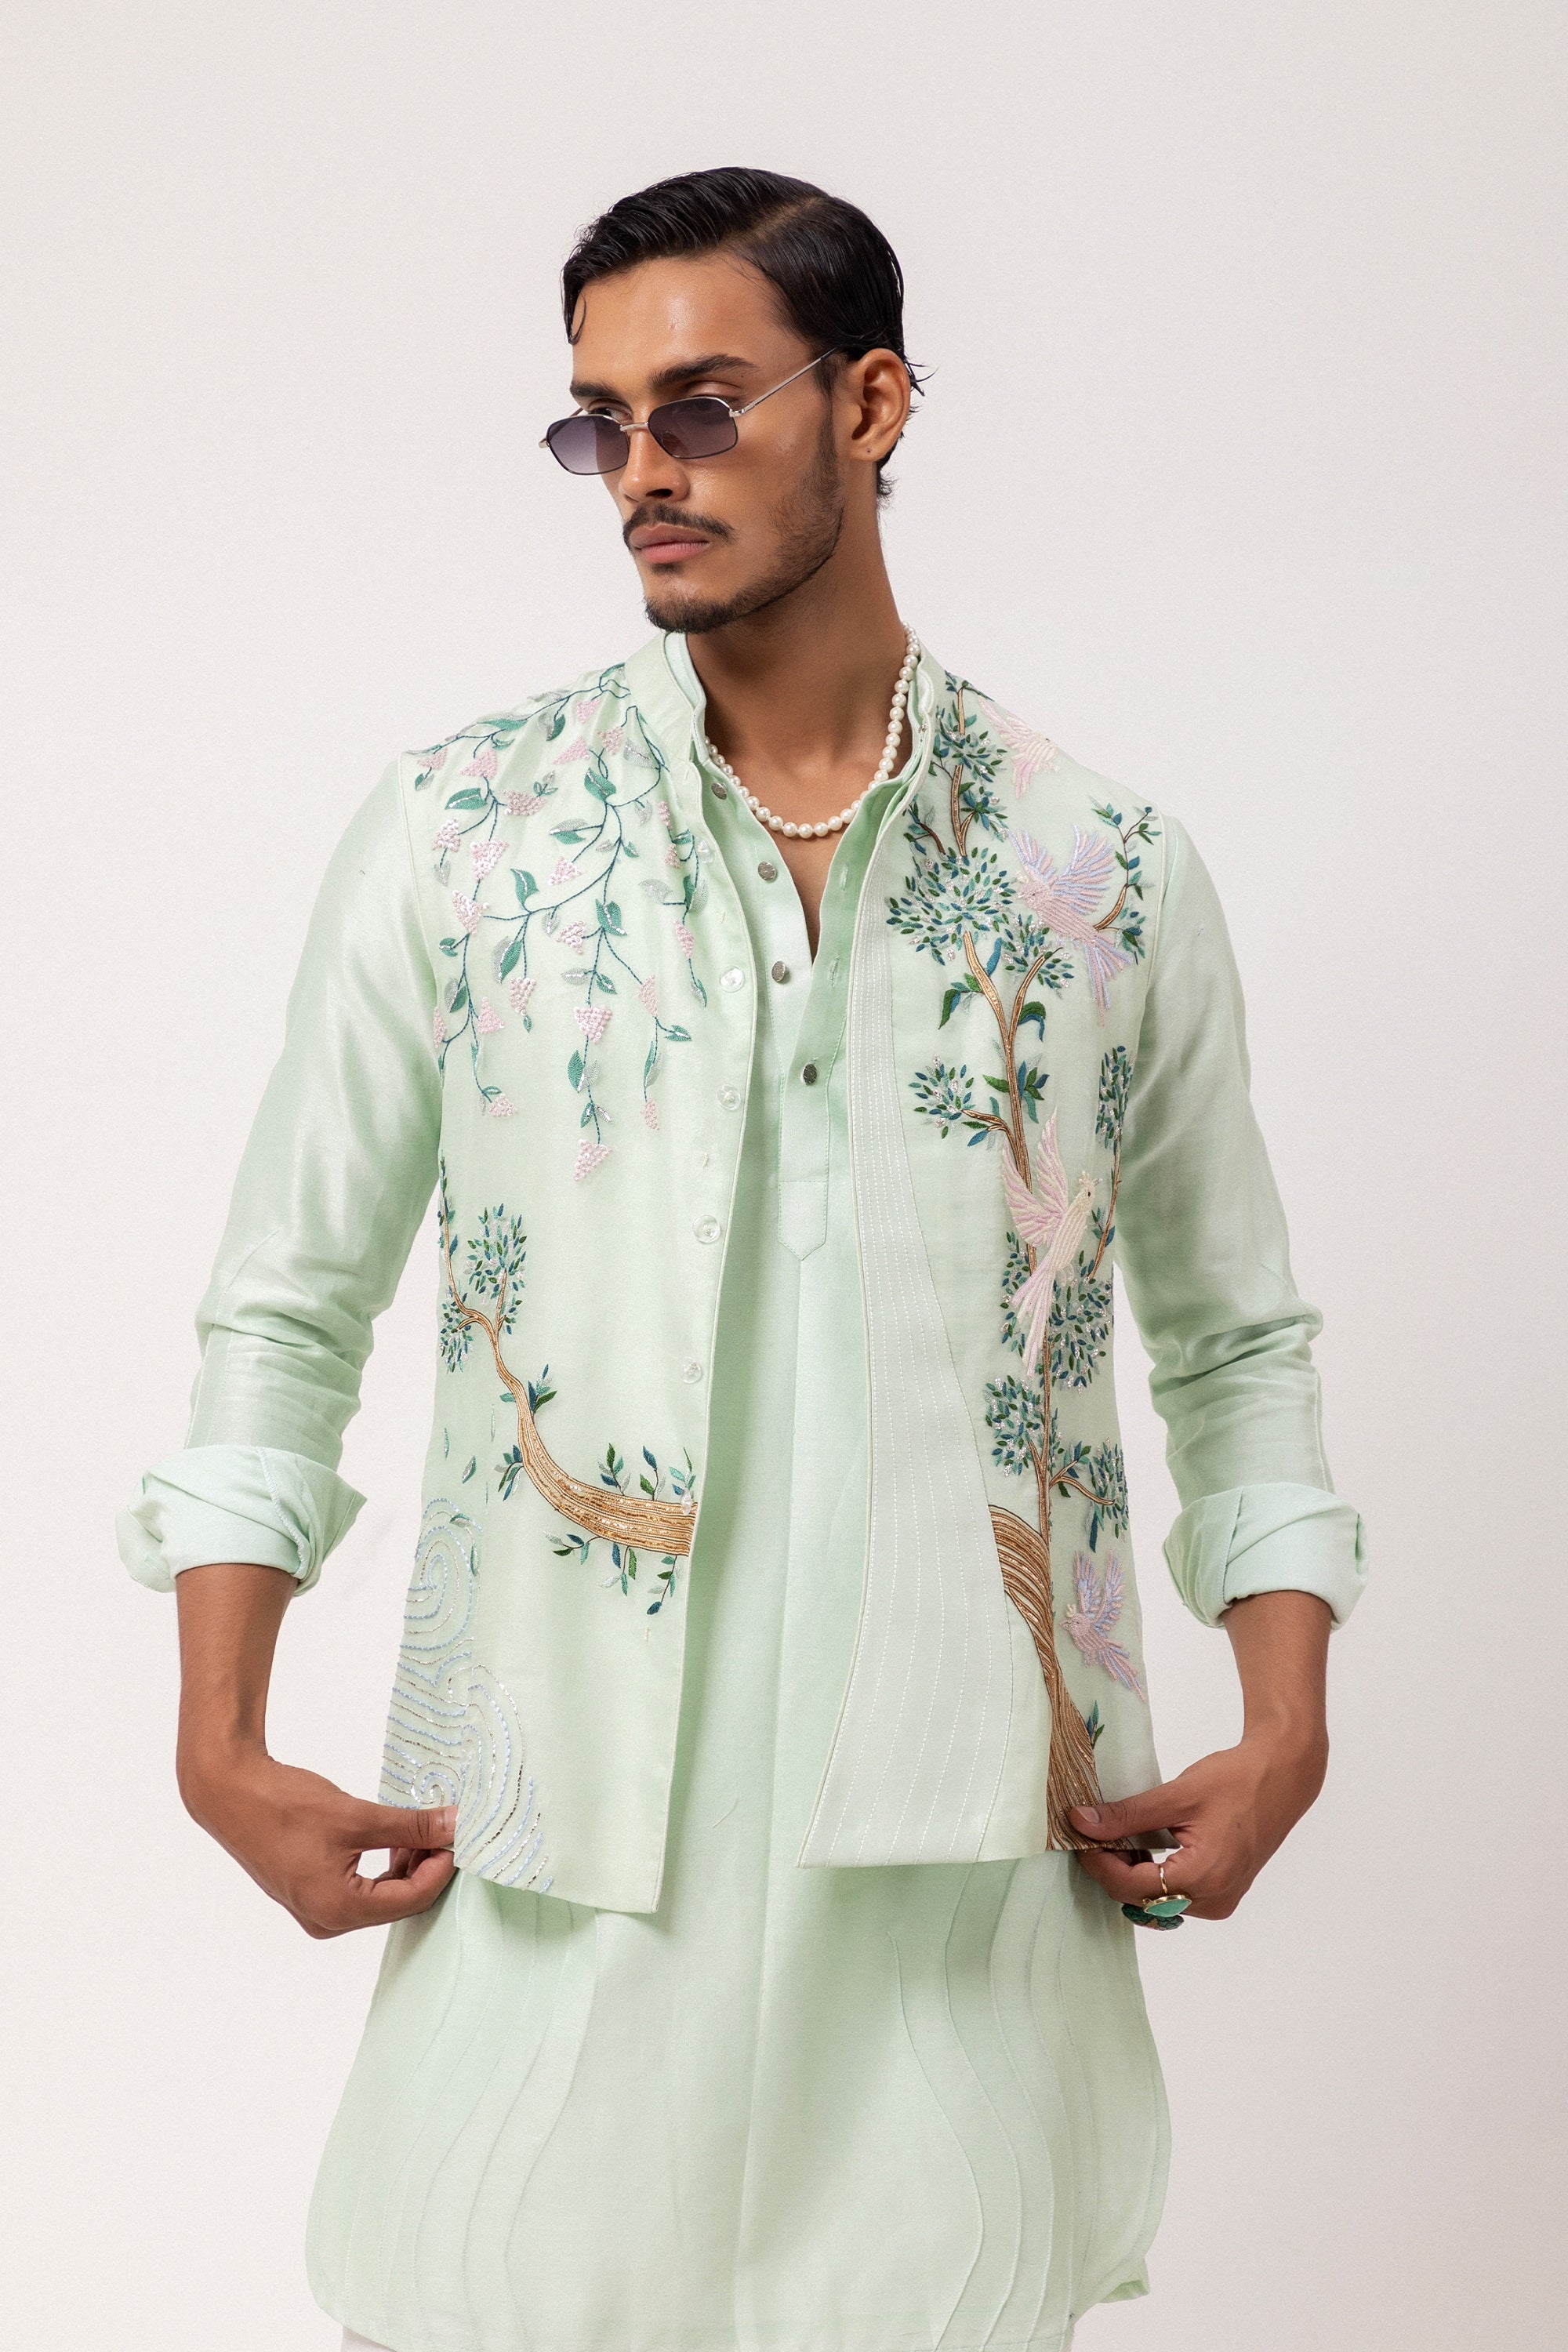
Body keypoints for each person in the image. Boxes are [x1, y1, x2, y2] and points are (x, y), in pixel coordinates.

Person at [120, 166, 1367, 2352]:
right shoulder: (466, 838)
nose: (641, 473)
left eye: (698, 406)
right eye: (598, 422)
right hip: (565, 1837)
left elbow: (1235, 1335)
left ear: (870, 403)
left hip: (966, 1850)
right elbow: (288, 1299)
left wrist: (1289, 1722)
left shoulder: (1098, 871)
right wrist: (218, 1739)